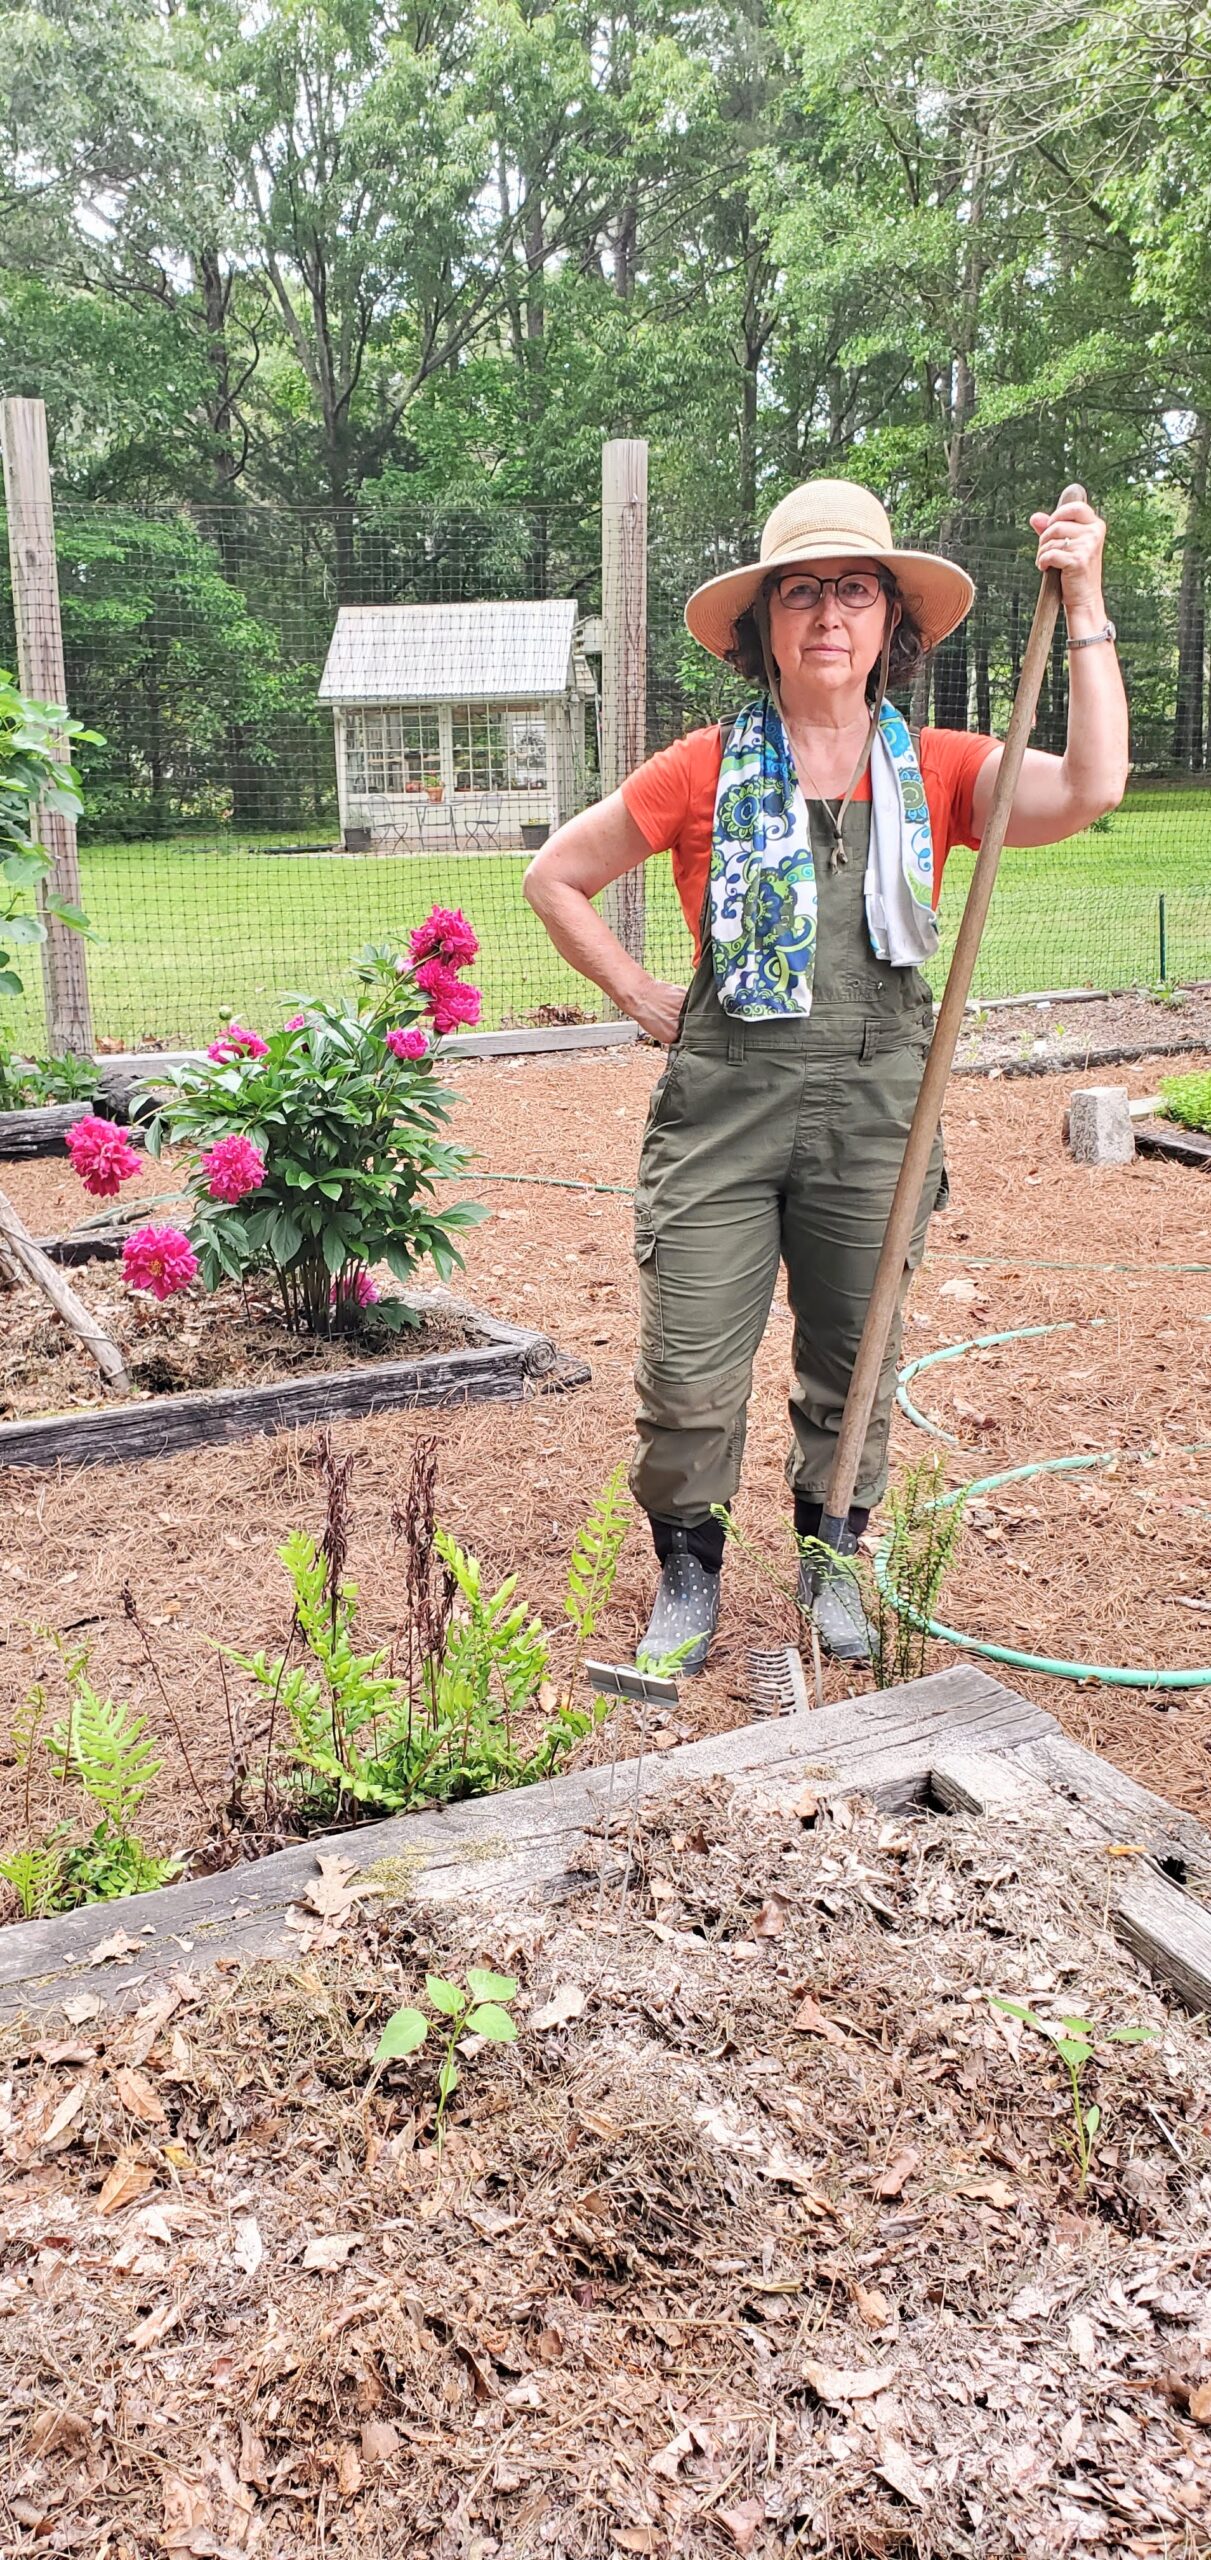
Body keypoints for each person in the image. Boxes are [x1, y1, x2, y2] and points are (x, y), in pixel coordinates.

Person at [524, 479, 1129, 1671]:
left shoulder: (945, 770)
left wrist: (1085, 600)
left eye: (853, 590)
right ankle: (688, 1572)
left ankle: (829, 1559)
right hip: (722, 1110)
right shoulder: (697, 771)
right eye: (800, 591)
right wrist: (639, 994)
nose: (827, 614)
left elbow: (1092, 785)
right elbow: (553, 874)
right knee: (690, 1357)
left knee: (852, 1359)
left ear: (887, 624)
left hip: (877, 1112)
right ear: (763, 626)